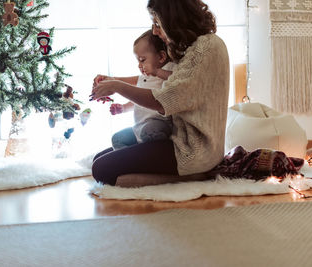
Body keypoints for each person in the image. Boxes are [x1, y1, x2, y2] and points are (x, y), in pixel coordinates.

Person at [91, 0, 230, 186]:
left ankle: (196, 176)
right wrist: (113, 80)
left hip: (192, 151)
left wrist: (117, 86)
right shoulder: (195, 47)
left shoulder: (205, 49)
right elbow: (152, 80)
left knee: (101, 169)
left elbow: (163, 100)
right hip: (176, 139)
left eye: (157, 24)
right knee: (100, 159)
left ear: (174, 20)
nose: (155, 31)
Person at [104, 30, 176, 150]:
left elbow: (178, 79)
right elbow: (139, 99)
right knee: (117, 138)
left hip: (158, 123)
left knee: (150, 131)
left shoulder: (168, 69)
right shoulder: (145, 78)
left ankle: (147, 157)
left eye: (142, 60)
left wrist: (157, 72)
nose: (139, 65)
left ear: (162, 57)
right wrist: (123, 108)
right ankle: (131, 161)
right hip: (138, 127)